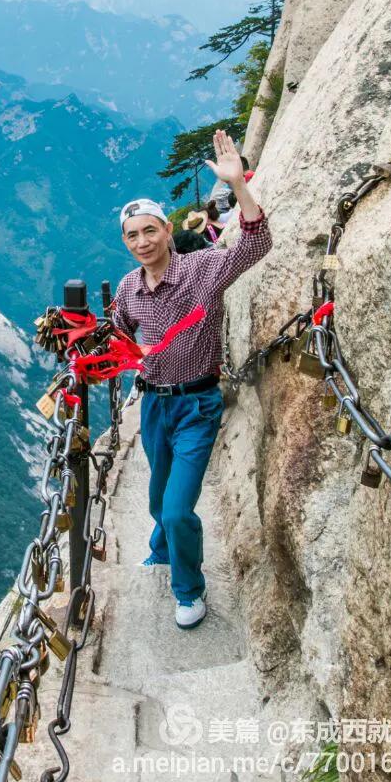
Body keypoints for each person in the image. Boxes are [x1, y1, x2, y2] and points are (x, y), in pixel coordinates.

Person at [113, 130, 272, 630]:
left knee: (178, 508)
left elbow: (257, 243)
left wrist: (238, 187)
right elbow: (115, 335)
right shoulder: (128, 288)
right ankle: (161, 550)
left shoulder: (203, 269)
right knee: (160, 498)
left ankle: (189, 590)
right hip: (154, 408)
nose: (142, 242)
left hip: (197, 405)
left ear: (166, 230)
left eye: (150, 231)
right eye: (132, 235)